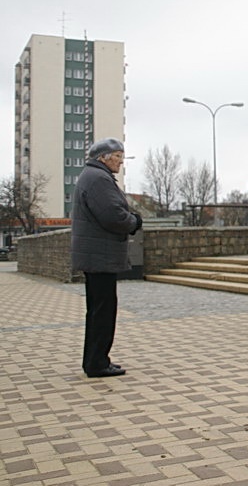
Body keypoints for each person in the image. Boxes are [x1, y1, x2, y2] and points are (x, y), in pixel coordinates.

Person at [71, 137, 142, 378]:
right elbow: (113, 216)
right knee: (103, 311)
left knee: (98, 309)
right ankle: (97, 363)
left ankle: (96, 360)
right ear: (103, 157)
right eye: (118, 157)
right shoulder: (98, 179)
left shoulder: (92, 176)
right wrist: (134, 221)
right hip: (99, 256)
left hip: (96, 255)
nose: (121, 162)